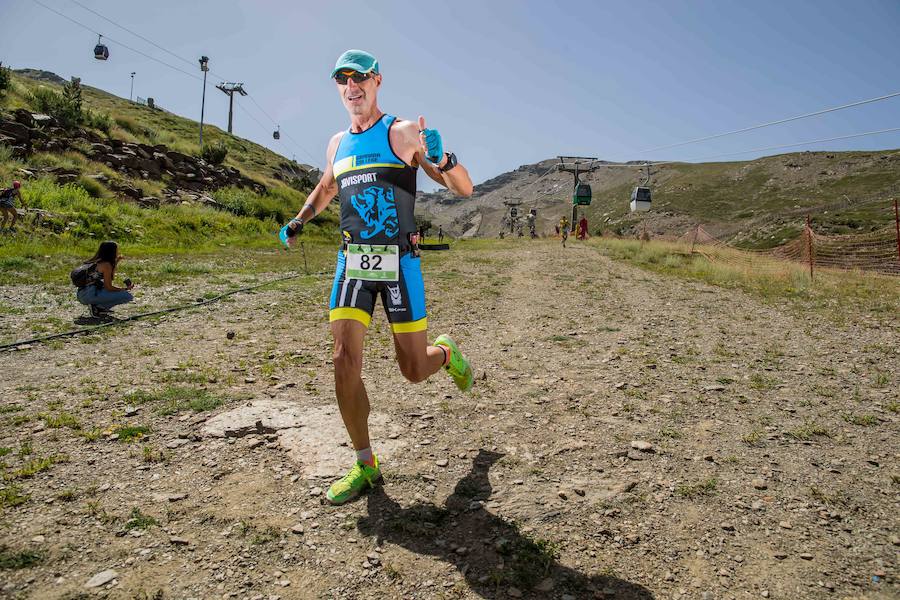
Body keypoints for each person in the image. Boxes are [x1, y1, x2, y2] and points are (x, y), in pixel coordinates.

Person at [280, 49, 475, 505]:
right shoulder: (336, 144)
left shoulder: (402, 133)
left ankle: (446, 353)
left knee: (413, 369)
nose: (351, 86)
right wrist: (300, 219)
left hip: (399, 263)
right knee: (342, 359)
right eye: (342, 79)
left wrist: (443, 158)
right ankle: (365, 464)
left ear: (377, 81)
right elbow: (327, 186)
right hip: (352, 262)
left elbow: (463, 188)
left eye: (360, 77)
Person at [75, 241, 134, 318]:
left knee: (113, 292)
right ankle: (98, 307)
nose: (118, 252)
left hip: (82, 293)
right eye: (116, 250)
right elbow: (109, 287)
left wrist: (116, 262)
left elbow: (110, 278)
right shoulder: (106, 265)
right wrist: (124, 289)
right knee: (127, 296)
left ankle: (97, 308)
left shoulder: (95, 261)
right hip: (89, 295)